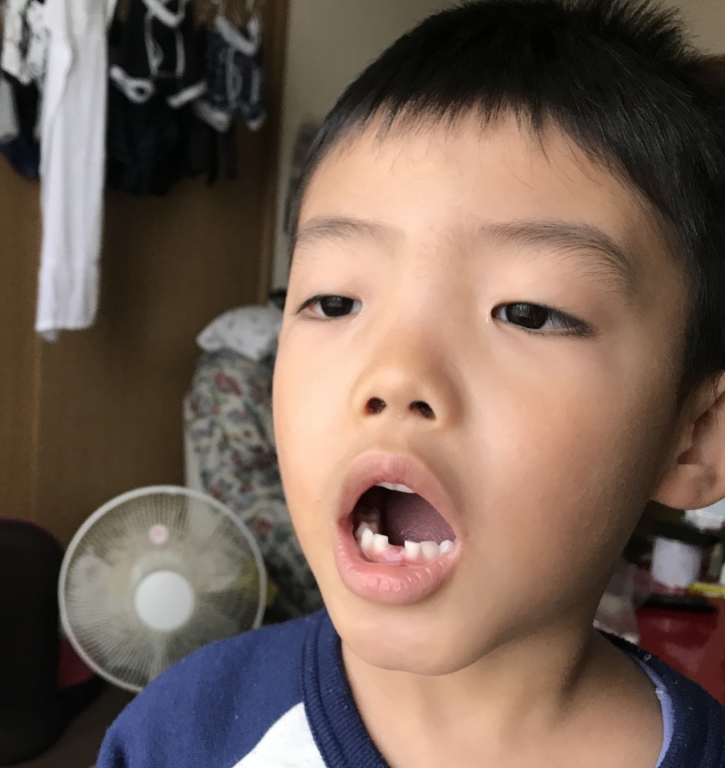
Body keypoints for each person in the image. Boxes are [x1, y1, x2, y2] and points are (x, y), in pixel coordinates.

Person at [97, 0, 725, 764]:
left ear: (696, 438)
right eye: (335, 302)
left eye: (527, 312)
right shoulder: (181, 734)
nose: (395, 374)